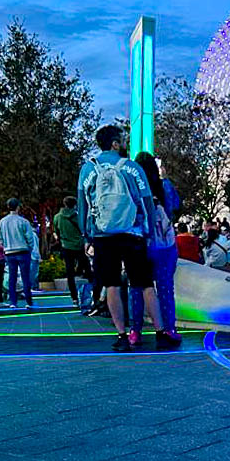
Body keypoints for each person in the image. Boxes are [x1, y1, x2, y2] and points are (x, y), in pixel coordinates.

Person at [77, 124, 178, 351]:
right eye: (121, 140)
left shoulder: (88, 170)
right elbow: (146, 201)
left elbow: (83, 204)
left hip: (102, 234)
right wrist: (149, 230)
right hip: (133, 233)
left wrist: (86, 235)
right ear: (115, 143)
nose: (124, 143)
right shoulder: (132, 168)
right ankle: (161, 334)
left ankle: (122, 335)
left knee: (111, 284)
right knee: (144, 284)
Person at [126, 151, 182, 349]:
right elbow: (175, 207)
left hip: (141, 244)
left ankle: (136, 331)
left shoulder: (133, 188)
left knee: (137, 288)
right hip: (166, 244)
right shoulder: (165, 186)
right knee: (166, 288)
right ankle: (169, 329)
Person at [0, 198, 36, 309]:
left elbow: (0, 238)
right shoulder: (23, 221)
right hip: (23, 251)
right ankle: (29, 301)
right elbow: (30, 237)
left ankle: (13, 301)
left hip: (9, 252)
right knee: (25, 277)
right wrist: (30, 248)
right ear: (18, 207)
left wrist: (5, 247)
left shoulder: (2, 222)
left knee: (12, 277)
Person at [53, 196, 92, 307]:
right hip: (79, 247)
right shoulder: (78, 217)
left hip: (66, 247)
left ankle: (74, 298)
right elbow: (84, 229)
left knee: (70, 273)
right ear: (75, 205)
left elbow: (57, 232)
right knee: (88, 271)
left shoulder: (57, 217)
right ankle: (93, 295)